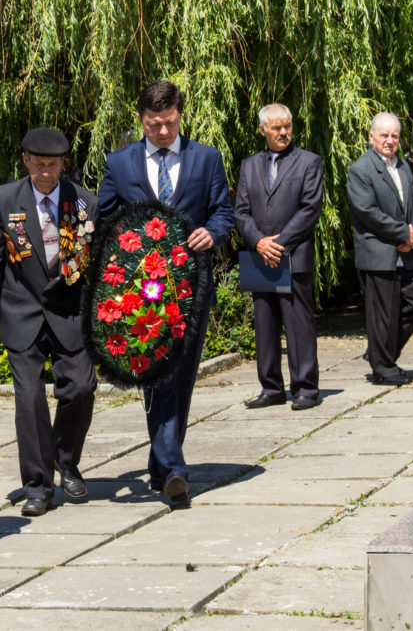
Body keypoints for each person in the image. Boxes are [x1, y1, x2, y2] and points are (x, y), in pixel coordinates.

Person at [99, 80, 234, 506]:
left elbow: (223, 212)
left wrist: (212, 234)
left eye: (169, 124)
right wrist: (126, 244)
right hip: (141, 290)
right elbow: (105, 219)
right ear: (140, 119)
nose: (161, 132)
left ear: (180, 116)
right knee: (160, 374)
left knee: (183, 374)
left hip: (191, 287)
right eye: (153, 124)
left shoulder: (207, 160)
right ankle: (174, 467)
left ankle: (161, 462)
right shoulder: (119, 163)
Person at [0, 128, 98, 517]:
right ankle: (38, 486)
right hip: (20, 313)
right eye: (40, 164)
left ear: (64, 163)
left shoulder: (84, 203)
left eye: (54, 165)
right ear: (26, 161)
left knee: (80, 387)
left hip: (69, 311)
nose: (47, 172)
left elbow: (90, 266)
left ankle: (65, 460)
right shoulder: (2, 199)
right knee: (28, 401)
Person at [235, 103, 323, 411]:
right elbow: (241, 212)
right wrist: (259, 242)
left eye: (287, 126)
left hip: (293, 256)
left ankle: (305, 388)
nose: (284, 132)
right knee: (265, 325)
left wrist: (280, 244)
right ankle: (271, 388)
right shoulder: (249, 165)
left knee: (298, 325)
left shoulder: (309, 162)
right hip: (260, 257)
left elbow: (310, 209)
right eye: (276, 128)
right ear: (263, 130)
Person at [346, 112, 413, 386]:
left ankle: (381, 354)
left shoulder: (403, 166)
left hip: (406, 251)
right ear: (371, 137)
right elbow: (368, 212)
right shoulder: (360, 170)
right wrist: (403, 233)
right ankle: (383, 369)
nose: (390, 141)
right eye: (384, 135)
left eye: (394, 135)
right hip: (378, 253)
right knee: (383, 315)